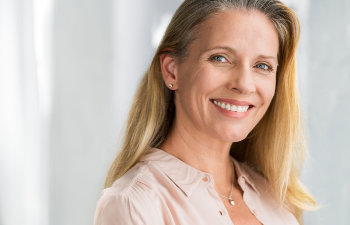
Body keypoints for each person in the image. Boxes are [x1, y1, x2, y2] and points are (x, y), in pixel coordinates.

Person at [94, 0, 317, 224]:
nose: (245, 84)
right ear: (172, 71)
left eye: (262, 66)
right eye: (220, 58)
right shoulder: (135, 204)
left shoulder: (277, 200)